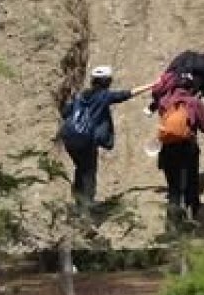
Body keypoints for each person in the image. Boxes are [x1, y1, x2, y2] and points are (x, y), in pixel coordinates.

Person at [58, 67, 155, 208]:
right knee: (89, 170)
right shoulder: (104, 95)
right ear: (107, 81)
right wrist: (152, 85)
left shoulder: (80, 95)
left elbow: (65, 112)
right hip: (85, 137)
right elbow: (127, 94)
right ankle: (87, 204)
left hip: (68, 135)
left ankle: (78, 200)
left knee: (80, 167)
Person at [154, 68, 204, 227]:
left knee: (173, 189)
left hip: (167, 149)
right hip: (187, 149)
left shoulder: (164, 102)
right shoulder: (194, 102)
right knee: (191, 185)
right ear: (191, 86)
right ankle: (192, 220)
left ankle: (172, 225)